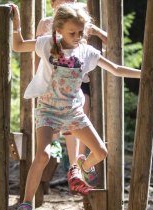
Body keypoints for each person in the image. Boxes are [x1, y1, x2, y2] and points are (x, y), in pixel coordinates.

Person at [10, 3, 153, 210]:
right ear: (59, 30)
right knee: (42, 155)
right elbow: (18, 46)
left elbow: (116, 69)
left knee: (101, 152)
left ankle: (82, 167)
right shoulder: (46, 44)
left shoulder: (87, 52)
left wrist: (146, 74)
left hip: (74, 112)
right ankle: (26, 204)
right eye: (72, 32)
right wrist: (16, 22)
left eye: (80, 32)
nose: (77, 36)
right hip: (48, 110)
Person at [35, 0, 108, 195]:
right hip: (54, 81)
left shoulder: (79, 20)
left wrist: (99, 34)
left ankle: (76, 164)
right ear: (52, 3)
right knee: (53, 131)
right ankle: (63, 155)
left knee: (79, 112)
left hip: (78, 76)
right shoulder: (47, 23)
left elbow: (103, 37)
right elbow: (36, 51)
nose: (68, 1)